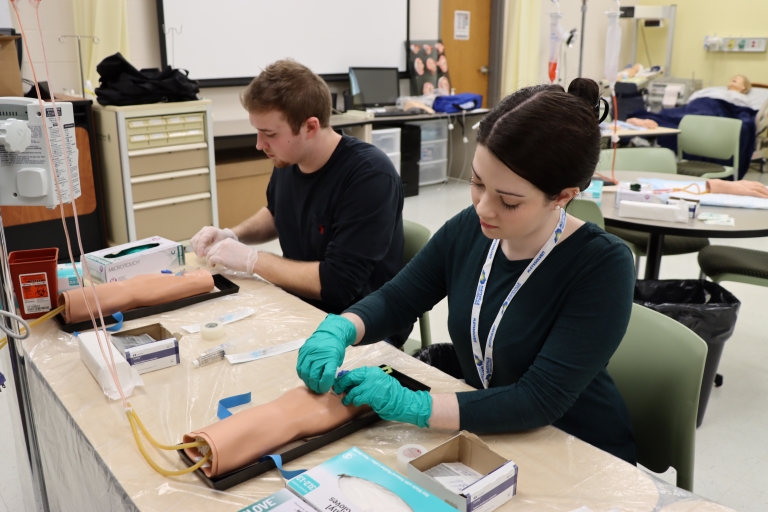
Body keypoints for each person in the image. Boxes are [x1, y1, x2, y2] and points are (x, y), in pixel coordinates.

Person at [296, 78, 639, 464]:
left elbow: (539, 399)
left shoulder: (601, 265)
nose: (483, 208)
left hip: (576, 451)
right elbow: (399, 299)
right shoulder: (470, 229)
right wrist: (342, 327)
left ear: (563, 196)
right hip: (488, 431)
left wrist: (418, 406)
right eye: (477, 183)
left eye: (508, 201)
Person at [190, 60, 408, 343]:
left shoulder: (369, 176)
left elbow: (337, 286)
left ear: (310, 126)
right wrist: (233, 234)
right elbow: (277, 212)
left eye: (269, 134)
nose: (259, 145)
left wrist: (252, 260)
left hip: (358, 326)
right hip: (303, 307)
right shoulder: (289, 158)